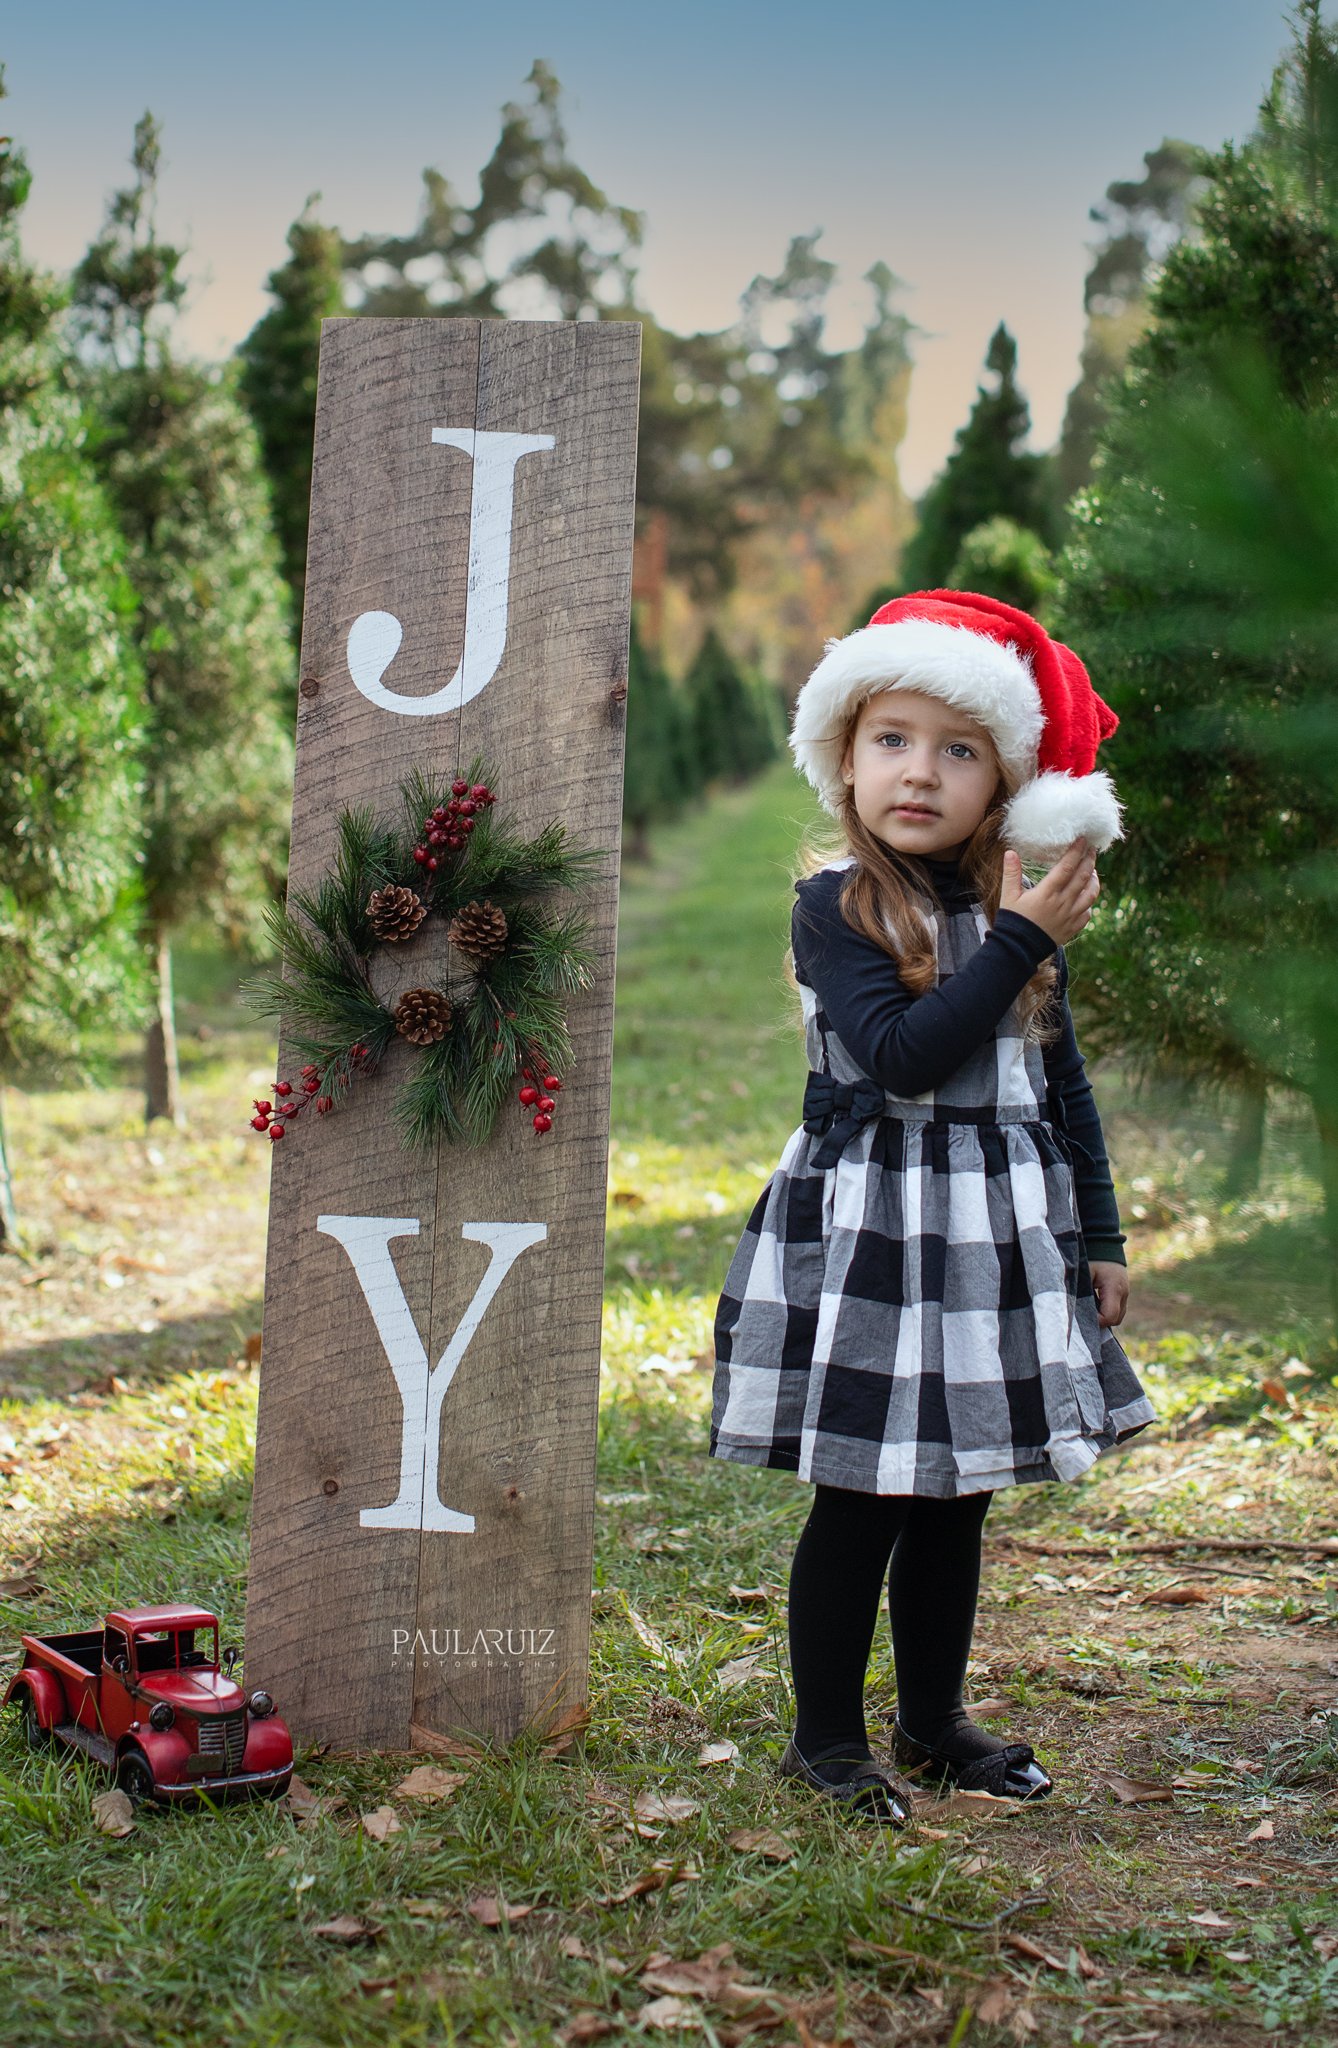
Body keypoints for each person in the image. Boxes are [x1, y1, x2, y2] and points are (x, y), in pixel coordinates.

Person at [709, 589, 1156, 1826]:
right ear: (844, 758)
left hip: (992, 1238)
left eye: (960, 750)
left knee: (959, 1491)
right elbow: (904, 1054)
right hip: (880, 1235)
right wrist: (1018, 938)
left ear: (1005, 785)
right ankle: (825, 1737)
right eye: (894, 738)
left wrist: (1101, 1234)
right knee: (863, 1492)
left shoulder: (1016, 914)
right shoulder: (836, 907)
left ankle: (932, 1716)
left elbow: (1059, 1081)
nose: (921, 771)